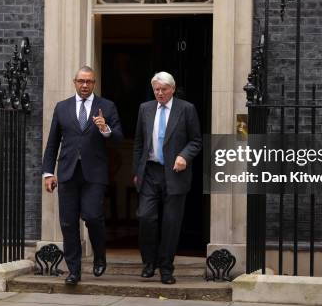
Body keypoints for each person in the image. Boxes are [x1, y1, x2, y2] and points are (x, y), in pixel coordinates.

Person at [42, 66, 123, 285]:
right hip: (67, 173)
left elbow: (118, 138)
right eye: (81, 81)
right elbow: (52, 143)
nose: (85, 85)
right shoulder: (62, 108)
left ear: (94, 83)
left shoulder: (106, 106)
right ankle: (74, 271)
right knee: (68, 223)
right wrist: (48, 173)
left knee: (92, 216)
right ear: (74, 82)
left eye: (89, 82)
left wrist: (105, 128)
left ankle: (99, 255)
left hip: (94, 174)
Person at [133, 71, 202, 284]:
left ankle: (166, 269)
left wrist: (184, 156)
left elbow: (196, 140)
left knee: (171, 224)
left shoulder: (186, 109)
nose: (160, 93)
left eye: (163, 90)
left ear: (172, 89)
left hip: (175, 173)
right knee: (145, 217)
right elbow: (138, 143)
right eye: (156, 90)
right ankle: (148, 263)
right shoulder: (145, 108)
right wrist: (137, 171)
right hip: (150, 172)